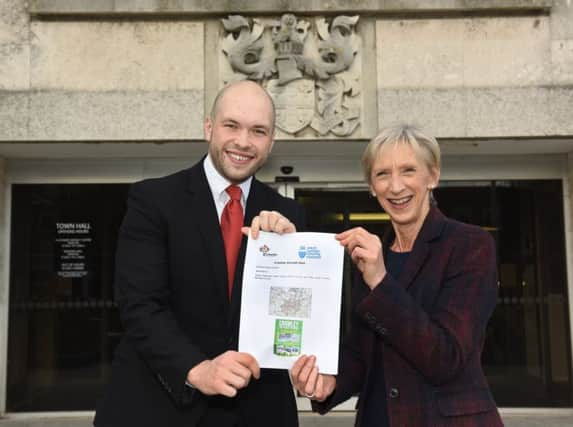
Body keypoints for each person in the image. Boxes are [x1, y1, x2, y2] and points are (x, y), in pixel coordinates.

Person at [94, 80, 305, 427]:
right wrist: (198, 369)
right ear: (209, 126)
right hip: (159, 407)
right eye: (231, 125)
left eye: (258, 131)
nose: (243, 141)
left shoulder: (288, 216)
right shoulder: (153, 201)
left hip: (258, 412)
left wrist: (289, 254)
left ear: (271, 141)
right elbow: (140, 306)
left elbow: (293, 320)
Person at [291, 124, 503, 426]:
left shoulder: (469, 246)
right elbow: (362, 352)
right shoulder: (375, 254)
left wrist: (380, 281)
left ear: (432, 176)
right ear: (371, 186)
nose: (395, 186)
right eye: (382, 174)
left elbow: (446, 358)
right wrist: (329, 383)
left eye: (408, 170)